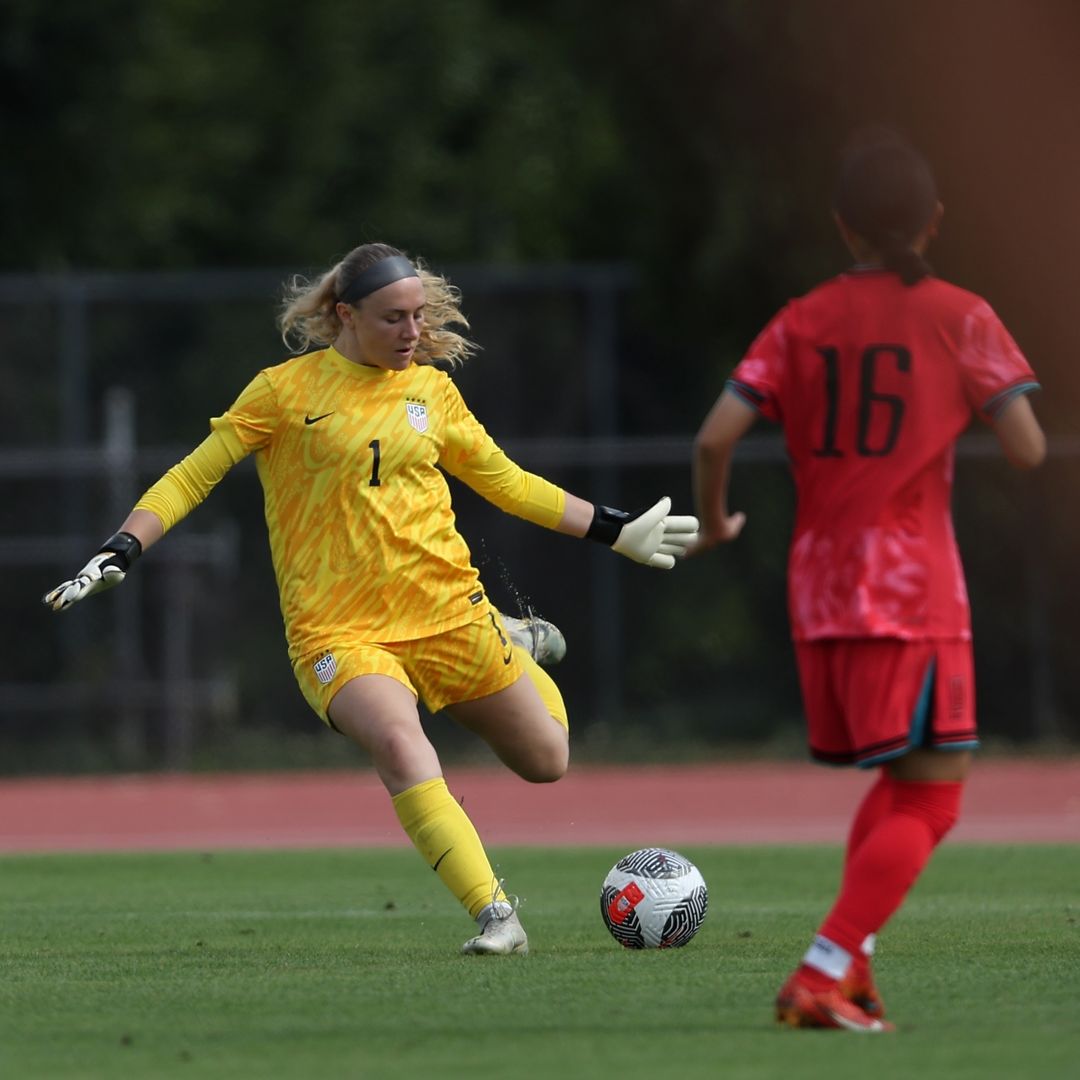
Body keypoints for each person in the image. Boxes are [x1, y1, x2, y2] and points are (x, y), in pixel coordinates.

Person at [43, 242, 699, 956]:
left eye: (418, 316)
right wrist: (122, 546)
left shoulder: (432, 392)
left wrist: (616, 530)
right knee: (397, 739)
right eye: (393, 318)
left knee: (548, 760)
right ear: (344, 315)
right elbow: (189, 477)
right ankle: (496, 915)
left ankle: (511, 637)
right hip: (339, 631)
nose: (412, 332)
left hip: (447, 612)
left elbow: (508, 485)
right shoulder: (283, 393)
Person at [691, 130, 1046, 1030]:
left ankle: (850, 972)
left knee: (896, 783)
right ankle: (818, 971)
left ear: (843, 227)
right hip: (912, 583)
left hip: (819, 582)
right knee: (932, 796)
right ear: (933, 222)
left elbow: (714, 437)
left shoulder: (801, 317)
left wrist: (720, 518)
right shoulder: (961, 312)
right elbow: (1028, 447)